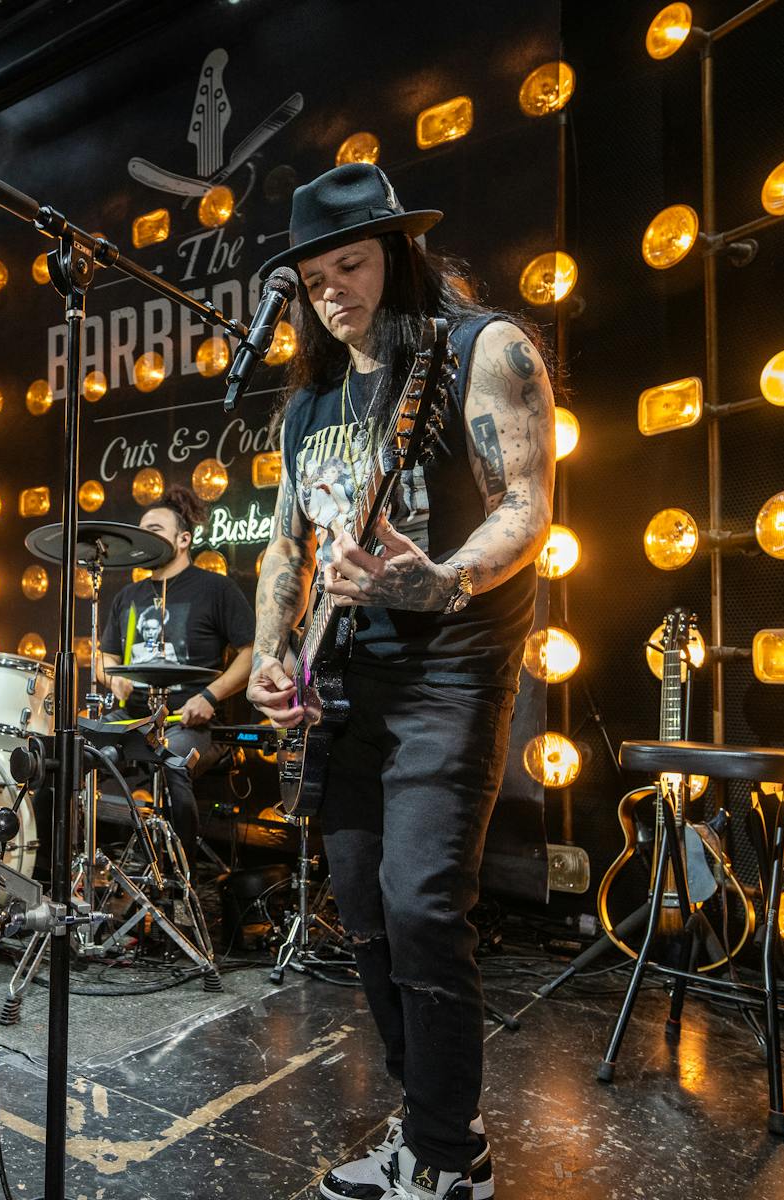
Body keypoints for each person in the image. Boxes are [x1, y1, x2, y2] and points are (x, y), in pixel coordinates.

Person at [246, 163, 553, 1200]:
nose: (333, 292)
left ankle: (445, 1157)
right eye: (313, 279)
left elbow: (526, 505)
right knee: (366, 911)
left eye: (351, 264)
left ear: (396, 253)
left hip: (450, 670)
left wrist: (444, 578)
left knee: (422, 905)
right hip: (345, 679)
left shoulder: (482, 349)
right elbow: (285, 547)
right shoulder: (310, 403)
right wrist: (275, 651)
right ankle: (436, 1125)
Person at [97, 484, 255, 854]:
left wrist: (209, 696)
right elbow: (106, 659)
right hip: (133, 717)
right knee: (74, 752)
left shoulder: (216, 589)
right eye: (141, 531)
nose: (144, 538)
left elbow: (252, 654)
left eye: (154, 530)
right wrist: (113, 679)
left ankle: (180, 875)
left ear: (184, 539)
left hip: (192, 723)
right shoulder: (128, 597)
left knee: (174, 761)